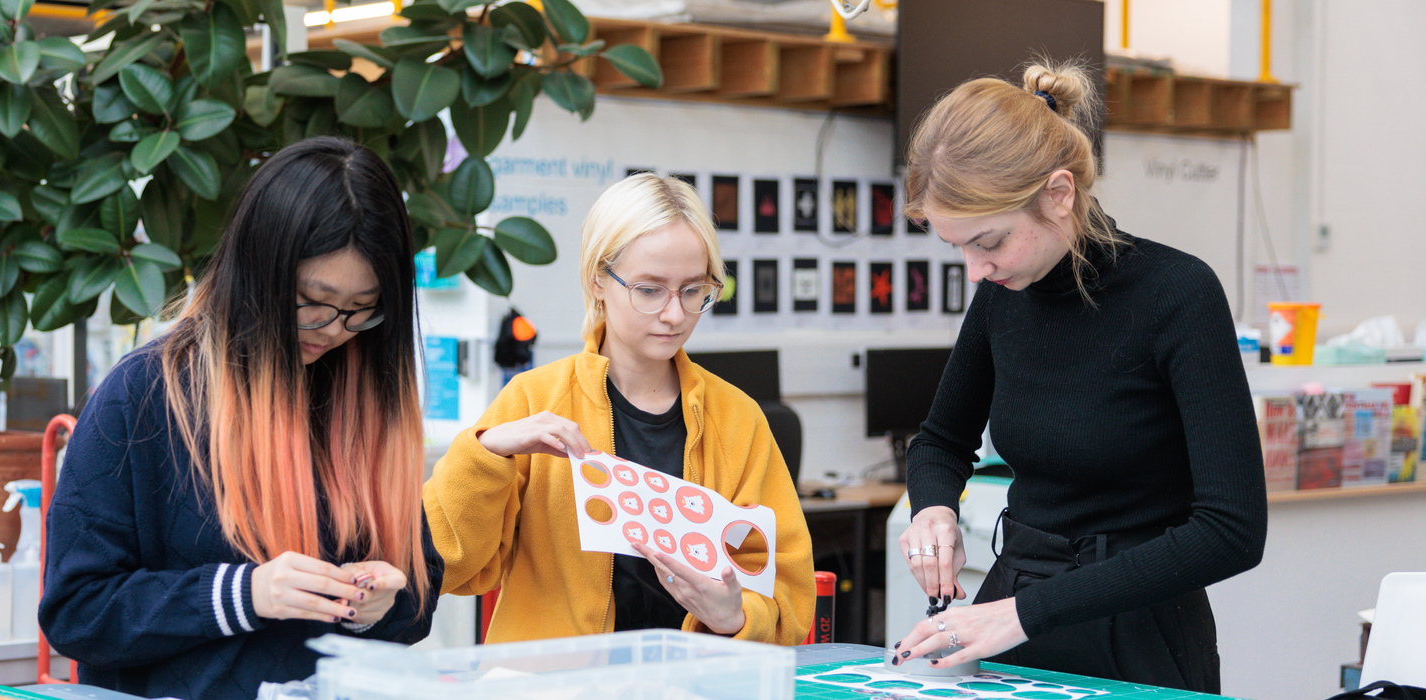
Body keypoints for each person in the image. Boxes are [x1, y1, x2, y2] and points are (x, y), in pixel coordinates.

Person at [890, 61, 1267, 692]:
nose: (975, 270)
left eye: (988, 242)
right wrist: (933, 509)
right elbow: (940, 441)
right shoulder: (1004, 294)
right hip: (1012, 613)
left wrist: (1026, 613)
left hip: (1139, 636)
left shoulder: (1179, 295)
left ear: (1059, 194)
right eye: (958, 248)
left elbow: (1231, 531)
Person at [39, 137, 440, 700]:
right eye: (312, 301)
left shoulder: (368, 398)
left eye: (361, 309)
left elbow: (419, 593)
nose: (333, 329)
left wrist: (379, 605)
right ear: (258, 270)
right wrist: (244, 595)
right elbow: (76, 612)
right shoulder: (145, 397)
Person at [425, 173, 815, 644]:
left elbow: (789, 593)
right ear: (598, 279)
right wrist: (486, 453)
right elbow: (449, 566)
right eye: (649, 290)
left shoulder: (738, 419)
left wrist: (737, 617)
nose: (674, 315)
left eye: (693, 291)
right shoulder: (534, 400)